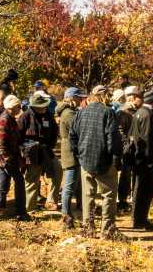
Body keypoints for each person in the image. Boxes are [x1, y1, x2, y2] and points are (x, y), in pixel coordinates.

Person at [70, 85, 123, 240]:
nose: (109, 97)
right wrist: (115, 158)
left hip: (85, 160)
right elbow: (112, 138)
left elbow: (72, 135)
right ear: (102, 95)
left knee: (88, 195)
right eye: (108, 94)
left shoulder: (81, 112)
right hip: (104, 161)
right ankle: (107, 231)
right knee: (108, 195)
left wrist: (78, 154)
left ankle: (88, 228)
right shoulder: (108, 112)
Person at [127, 88, 153, 230]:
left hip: (137, 157)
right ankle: (140, 220)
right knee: (146, 190)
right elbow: (148, 138)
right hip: (145, 159)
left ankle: (137, 218)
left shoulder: (139, 112)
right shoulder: (148, 114)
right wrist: (152, 160)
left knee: (138, 188)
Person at [19, 91, 62, 212]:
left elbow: (54, 132)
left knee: (57, 171)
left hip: (47, 151)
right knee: (32, 180)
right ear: (35, 106)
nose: (44, 108)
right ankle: (29, 208)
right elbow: (18, 137)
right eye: (42, 106)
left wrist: (50, 146)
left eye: (45, 106)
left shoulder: (48, 115)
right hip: (32, 153)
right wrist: (25, 150)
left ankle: (51, 200)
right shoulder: (25, 116)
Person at [0, 95, 29, 221]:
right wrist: (8, 158)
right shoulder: (4, 120)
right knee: (19, 182)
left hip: (7, 158)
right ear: (11, 107)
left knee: (3, 185)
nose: (19, 108)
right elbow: (0, 142)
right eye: (17, 106)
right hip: (6, 159)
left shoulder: (10, 118)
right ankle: (21, 211)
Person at [57, 87, 86, 228]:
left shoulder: (71, 112)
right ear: (71, 98)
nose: (81, 100)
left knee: (75, 184)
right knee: (69, 186)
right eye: (79, 98)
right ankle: (66, 215)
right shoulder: (69, 113)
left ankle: (73, 213)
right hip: (71, 153)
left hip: (73, 151)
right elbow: (79, 130)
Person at [114, 86, 137, 211]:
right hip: (126, 148)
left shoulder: (132, 111)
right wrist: (127, 144)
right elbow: (121, 131)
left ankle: (130, 197)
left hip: (132, 147)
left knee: (130, 173)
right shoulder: (122, 112)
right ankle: (122, 200)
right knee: (125, 173)